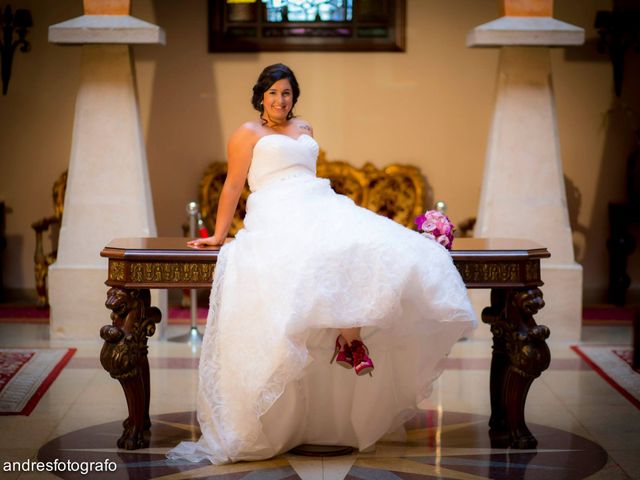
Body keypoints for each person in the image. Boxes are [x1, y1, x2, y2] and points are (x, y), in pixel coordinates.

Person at [167, 63, 476, 465]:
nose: (281, 100)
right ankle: (350, 342)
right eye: (274, 92)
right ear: (261, 94)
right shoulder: (248, 134)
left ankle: (351, 338)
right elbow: (232, 185)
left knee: (357, 243)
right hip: (275, 208)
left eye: (288, 93)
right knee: (315, 251)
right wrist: (220, 235)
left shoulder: (305, 128)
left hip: (317, 201)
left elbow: (308, 175)